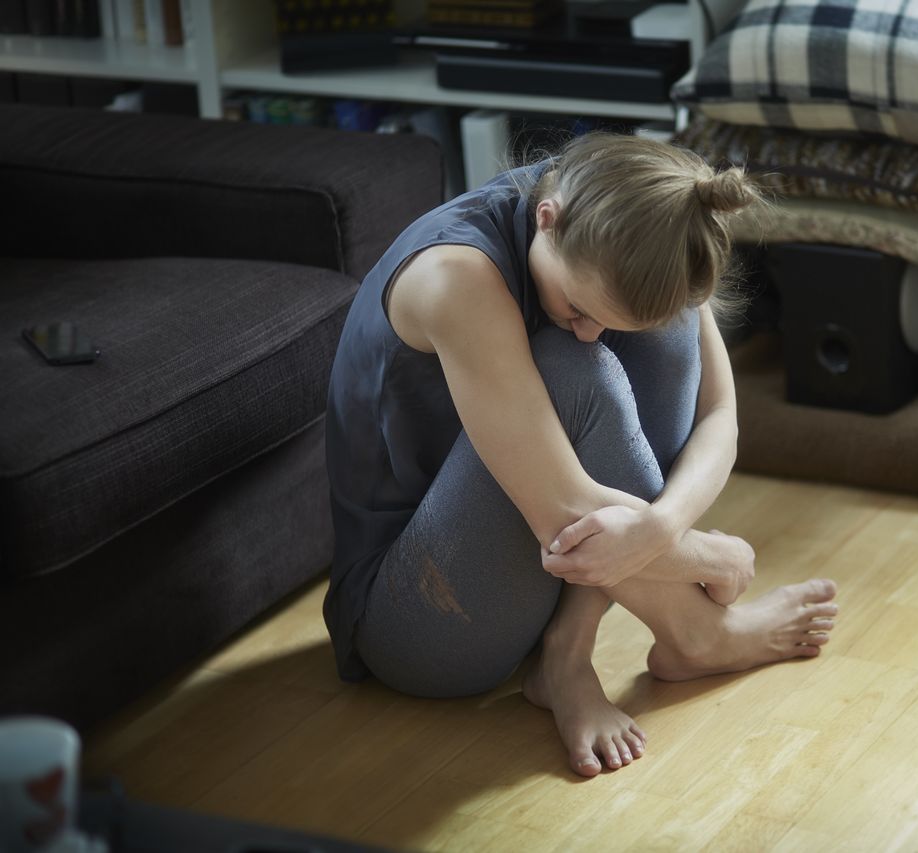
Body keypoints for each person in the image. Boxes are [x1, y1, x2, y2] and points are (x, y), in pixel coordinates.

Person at [323, 132, 839, 778]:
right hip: (417, 620)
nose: (592, 329)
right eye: (578, 306)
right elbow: (566, 515)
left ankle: (566, 653)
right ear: (547, 217)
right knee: (574, 368)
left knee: (665, 322)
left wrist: (661, 526)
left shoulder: (637, 211)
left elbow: (719, 417)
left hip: (531, 569)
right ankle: (700, 634)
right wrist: (711, 555)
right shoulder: (456, 276)